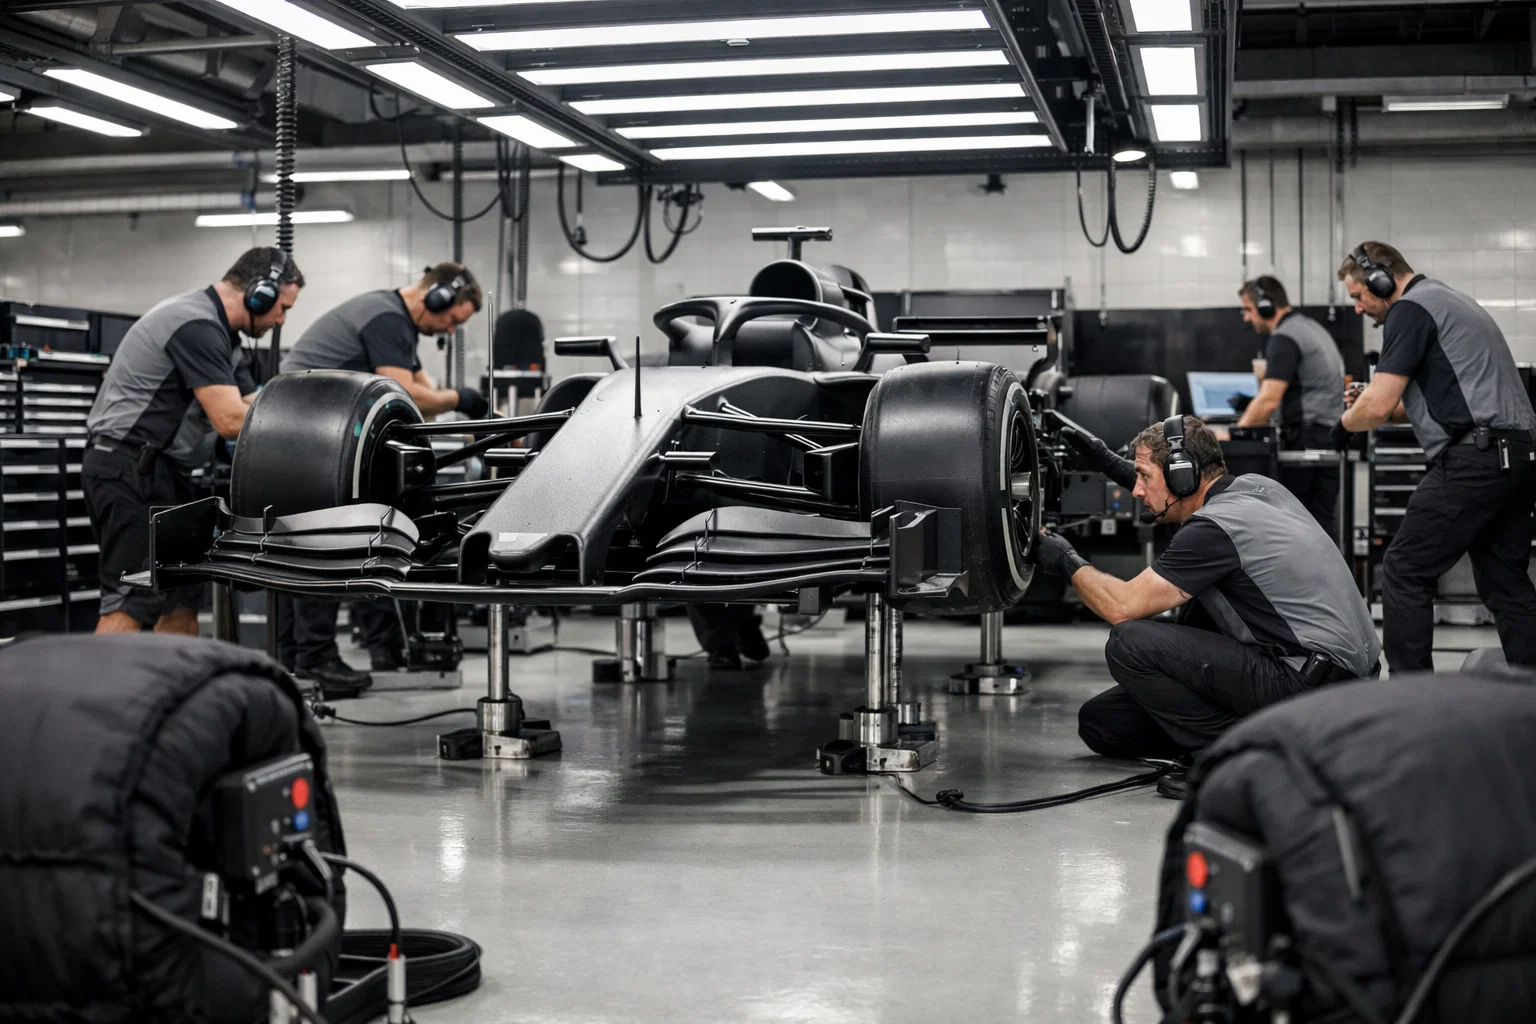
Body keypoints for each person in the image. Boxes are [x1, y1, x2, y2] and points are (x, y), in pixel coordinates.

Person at [1034, 415, 1379, 797]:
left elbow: (1122, 606)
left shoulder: (1213, 530)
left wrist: (1065, 560)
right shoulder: (1259, 489)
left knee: (1128, 641)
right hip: (1342, 683)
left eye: (1143, 477)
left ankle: (1230, 758)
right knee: (1103, 723)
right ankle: (1269, 739)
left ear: (1184, 475)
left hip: (1307, 686)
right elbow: (1176, 500)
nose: (1136, 490)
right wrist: (1105, 460)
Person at [275, 263, 489, 687]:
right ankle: (315, 658)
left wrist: (470, 414)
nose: (448, 330)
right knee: (323, 545)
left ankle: (348, 653)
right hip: (308, 437)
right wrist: (462, 398)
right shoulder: (387, 319)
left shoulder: (395, 320)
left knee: (350, 538)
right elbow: (409, 394)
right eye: (452, 319)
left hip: (309, 437)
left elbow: (423, 402)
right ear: (436, 298)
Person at [1332, 241, 1536, 673]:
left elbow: (1380, 405)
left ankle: (1414, 700)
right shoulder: (1449, 300)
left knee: (1406, 570)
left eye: (1357, 296)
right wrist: (1367, 407)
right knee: (1506, 583)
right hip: (1514, 456)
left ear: (1381, 280)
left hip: (1474, 460)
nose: (1357, 308)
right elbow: (1426, 402)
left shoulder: (1409, 310)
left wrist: (1345, 423)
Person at [83, 247, 302, 635]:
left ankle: (179, 691)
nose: (281, 320)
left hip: (166, 474)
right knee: (134, 597)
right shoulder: (194, 323)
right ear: (258, 293)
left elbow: (255, 403)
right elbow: (232, 419)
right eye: (281, 307)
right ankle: (93, 697)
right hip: (129, 472)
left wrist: (306, 410)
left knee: (182, 597)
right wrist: (303, 428)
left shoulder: (224, 337)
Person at [1234, 276, 1347, 536]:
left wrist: (1234, 435)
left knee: (1296, 528)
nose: (1246, 319)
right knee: (1321, 525)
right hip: (1329, 438)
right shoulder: (1310, 328)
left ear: (1266, 306)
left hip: (1307, 442)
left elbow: (1268, 400)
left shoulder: (1284, 337)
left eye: (1248, 310)